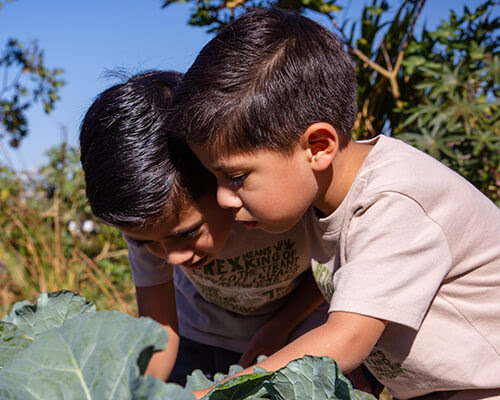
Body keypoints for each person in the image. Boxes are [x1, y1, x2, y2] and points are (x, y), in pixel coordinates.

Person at [168, 8, 500, 400]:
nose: (223, 197)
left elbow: (346, 339)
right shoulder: (322, 197)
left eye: (236, 177)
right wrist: (277, 328)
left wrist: (213, 394)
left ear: (318, 147)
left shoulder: (393, 201)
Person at [79, 70, 327, 385]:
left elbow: (331, 270)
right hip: (202, 335)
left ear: (220, 175)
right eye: (147, 243)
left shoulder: (278, 201)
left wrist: (281, 326)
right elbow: (160, 333)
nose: (172, 257)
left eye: (187, 233)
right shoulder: (149, 224)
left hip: (301, 329)